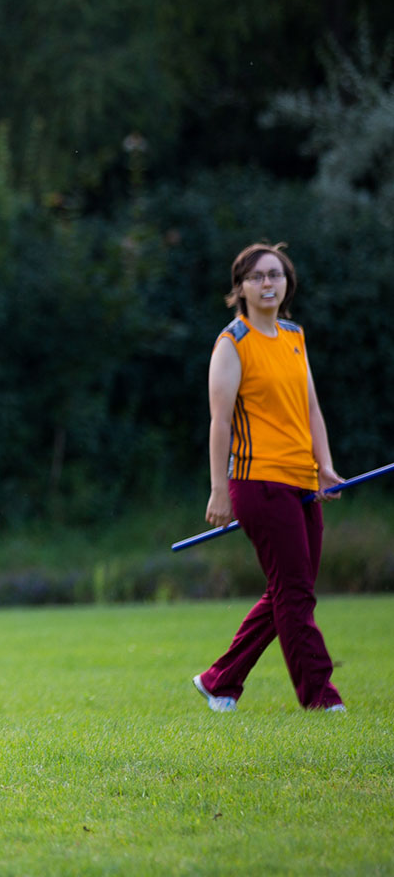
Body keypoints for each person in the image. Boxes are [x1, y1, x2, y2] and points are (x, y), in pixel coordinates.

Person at [193, 242, 347, 713]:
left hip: (302, 480)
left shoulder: (295, 337)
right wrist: (219, 489)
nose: (267, 284)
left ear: (287, 284)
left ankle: (219, 680)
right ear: (240, 286)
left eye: (275, 275)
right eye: (257, 276)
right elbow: (220, 422)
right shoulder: (232, 343)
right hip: (258, 483)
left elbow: (311, 408)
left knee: (289, 590)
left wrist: (325, 468)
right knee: (295, 591)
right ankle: (321, 698)